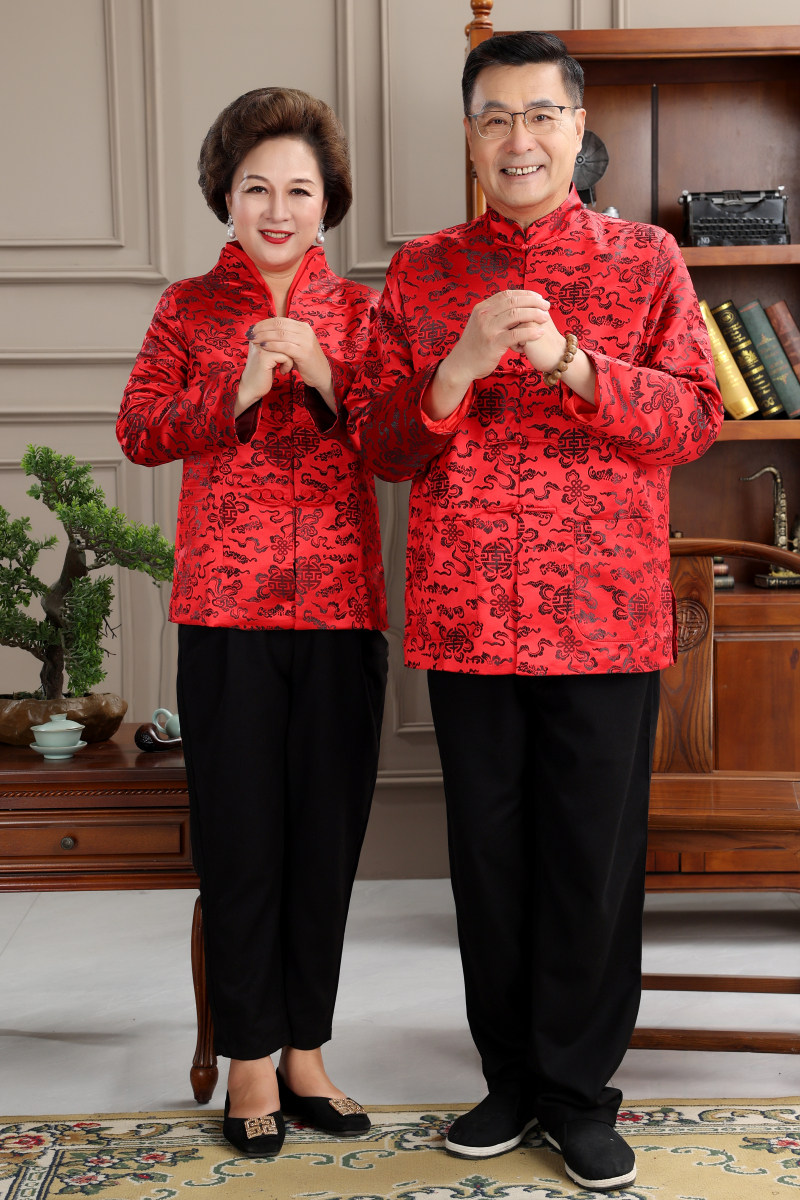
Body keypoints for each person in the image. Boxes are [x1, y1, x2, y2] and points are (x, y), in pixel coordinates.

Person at [347, 32, 722, 1193]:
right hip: (467, 620)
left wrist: (570, 362)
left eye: (539, 115)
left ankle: (577, 1094)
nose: (518, 138)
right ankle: (507, 1081)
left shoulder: (645, 259)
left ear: (574, 129)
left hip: (603, 618)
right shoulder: (419, 273)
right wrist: (454, 369)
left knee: (589, 869)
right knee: (490, 861)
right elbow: (381, 447)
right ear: (470, 138)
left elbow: (693, 420)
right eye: (494, 117)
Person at [117, 87, 388, 1159]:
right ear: (225, 197)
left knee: (324, 842)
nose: (277, 209)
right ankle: (248, 1062)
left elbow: (399, 444)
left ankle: (307, 1052)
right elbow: (140, 431)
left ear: (328, 204)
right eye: (256, 188)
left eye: (299, 190)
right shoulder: (187, 308)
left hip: (342, 609)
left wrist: (323, 374)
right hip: (223, 610)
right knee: (239, 844)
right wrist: (230, 390)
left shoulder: (360, 313)